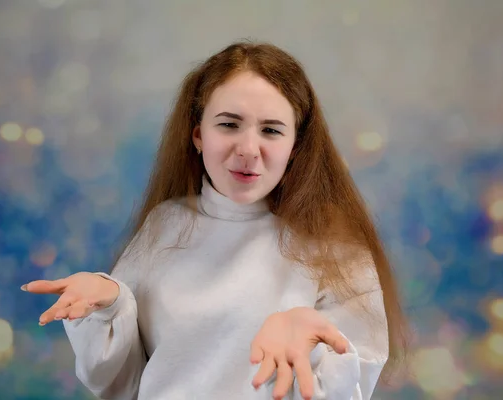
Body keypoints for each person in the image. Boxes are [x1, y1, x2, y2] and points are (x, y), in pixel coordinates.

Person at [22, 41, 409, 400]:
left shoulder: (335, 250)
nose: (247, 150)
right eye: (228, 124)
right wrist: (110, 305)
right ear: (198, 135)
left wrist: (308, 335)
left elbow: (350, 382)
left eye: (271, 130)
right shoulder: (165, 225)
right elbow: (125, 385)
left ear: (295, 148)